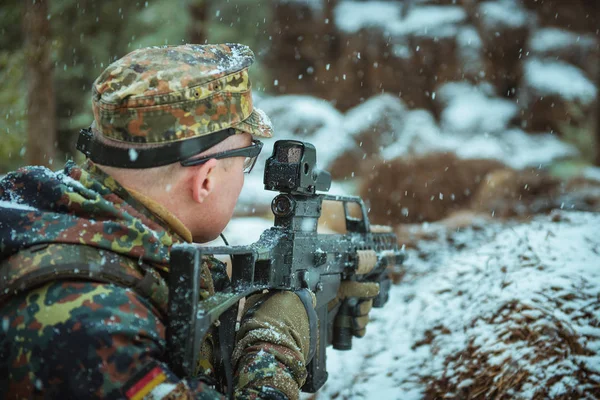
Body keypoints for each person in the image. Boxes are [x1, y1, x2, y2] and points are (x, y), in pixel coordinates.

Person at [0, 43, 378, 399]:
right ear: (206, 178)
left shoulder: (75, 228)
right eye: (246, 159)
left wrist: (310, 310)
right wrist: (273, 347)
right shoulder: (87, 319)